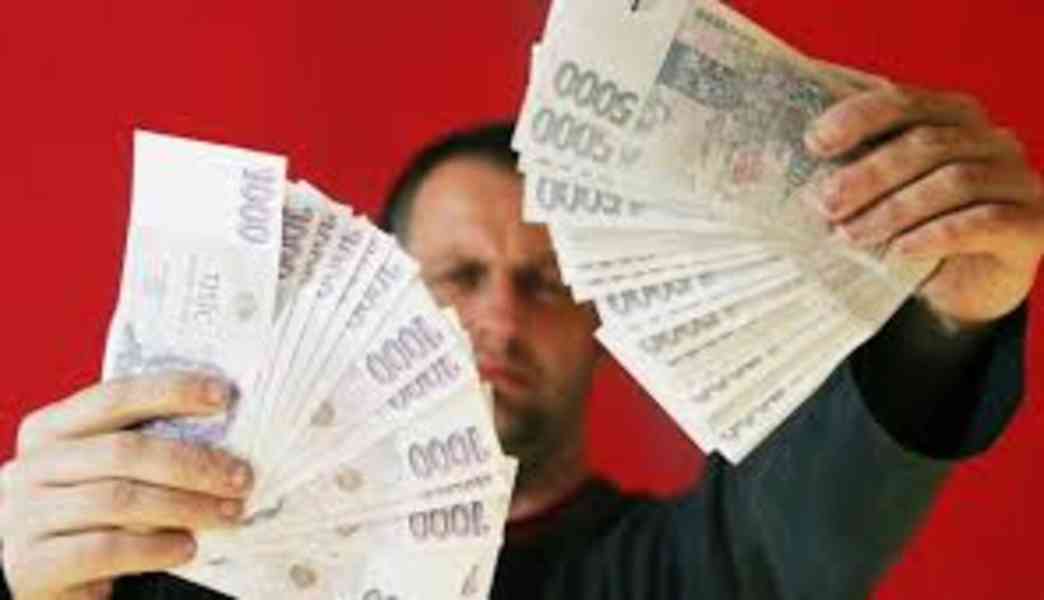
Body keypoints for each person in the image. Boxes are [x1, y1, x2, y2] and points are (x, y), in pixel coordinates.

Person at [0, 82, 1040, 599]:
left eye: (543, 284)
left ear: (603, 324)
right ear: (378, 300)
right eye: (458, 277)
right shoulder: (190, 561)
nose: (498, 317)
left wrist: (947, 319)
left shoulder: (676, 571)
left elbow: (798, 533)